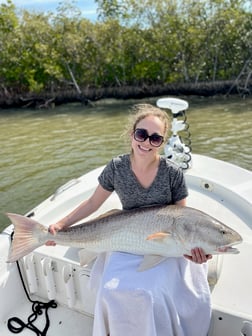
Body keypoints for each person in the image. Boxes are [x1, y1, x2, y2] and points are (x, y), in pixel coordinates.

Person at [47, 103, 212, 336]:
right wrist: (61, 225)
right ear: (132, 133)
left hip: (165, 245)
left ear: (162, 142)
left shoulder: (173, 173)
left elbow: (182, 219)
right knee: (109, 290)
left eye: (155, 138)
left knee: (150, 293)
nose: (146, 142)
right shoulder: (116, 167)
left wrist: (194, 250)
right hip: (124, 237)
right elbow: (93, 203)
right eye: (141, 134)